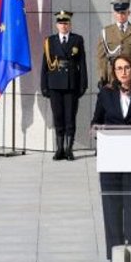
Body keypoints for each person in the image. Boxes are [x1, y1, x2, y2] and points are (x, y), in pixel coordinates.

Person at [91, 53, 131, 260]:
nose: (123, 72)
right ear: (114, 72)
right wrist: (96, 130)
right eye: (119, 68)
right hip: (111, 155)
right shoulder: (106, 93)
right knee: (111, 204)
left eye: (126, 67)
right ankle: (115, 253)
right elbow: (96, 121)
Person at [40, 10, 88, 161]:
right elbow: (45, 65)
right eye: (61, 23)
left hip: (71, 84)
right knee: (58, 117)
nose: (63, 26)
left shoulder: (77, 39)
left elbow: (82, 63)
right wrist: (44, 85)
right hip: (55, 84)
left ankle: (69, 149)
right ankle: (59, 149)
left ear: (70, 24)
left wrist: (83, 84)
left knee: (70, 117)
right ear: (57, 25)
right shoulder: (50, 41)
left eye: (66, 23)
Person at [96, 0, 131, 87]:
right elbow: (101, 59)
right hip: (112, 78)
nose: (120, 15)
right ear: (114, 14)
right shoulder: (106, 32)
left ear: (129, 13)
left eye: (123, 13)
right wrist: (102, 78)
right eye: (118, 13)